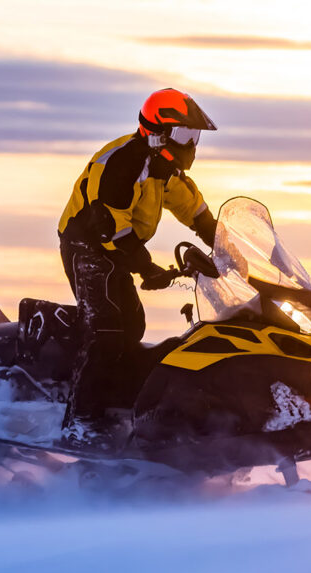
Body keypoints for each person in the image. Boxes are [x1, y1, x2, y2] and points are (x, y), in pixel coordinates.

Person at [56, 88, 218, 447]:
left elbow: (196, 212)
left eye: (194, 137)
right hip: (88, 243)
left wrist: (230, 248)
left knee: (133, 325)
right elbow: (109, 227)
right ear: (157, 133)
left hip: (116, 247)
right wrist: (147, 268)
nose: (190, 145)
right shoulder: (125, 162)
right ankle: (80, 423)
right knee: (107, 328)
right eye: (183, 135)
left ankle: (117, 406)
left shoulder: (165, 171)